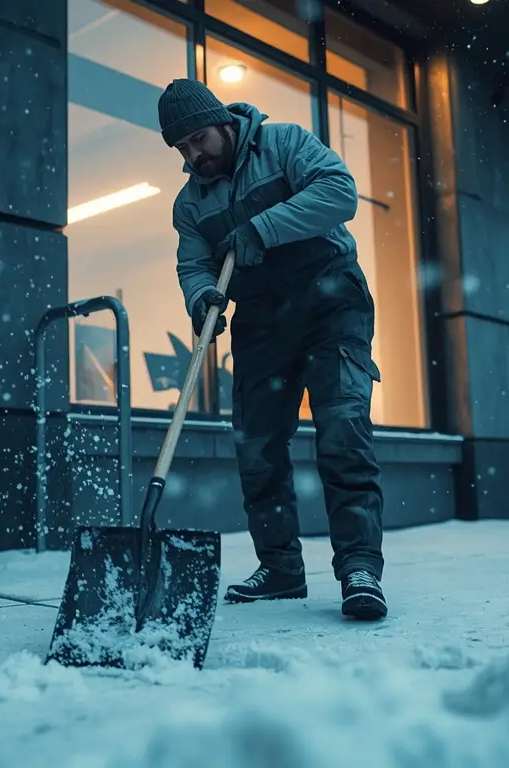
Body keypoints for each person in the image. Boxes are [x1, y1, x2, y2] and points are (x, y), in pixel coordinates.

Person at [156, 78, 387, 621]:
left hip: (331, 302)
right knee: (257, 447)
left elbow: (338, 193)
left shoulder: (284, 143)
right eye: (181, 148)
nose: (193, 155)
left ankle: (359, 567)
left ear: (223, 122)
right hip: (260, 320)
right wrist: (201, 298)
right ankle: (280, 568)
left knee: (342, 432)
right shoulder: (190, 204)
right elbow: (194, 264)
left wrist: (260, 230)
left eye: (198, 140)